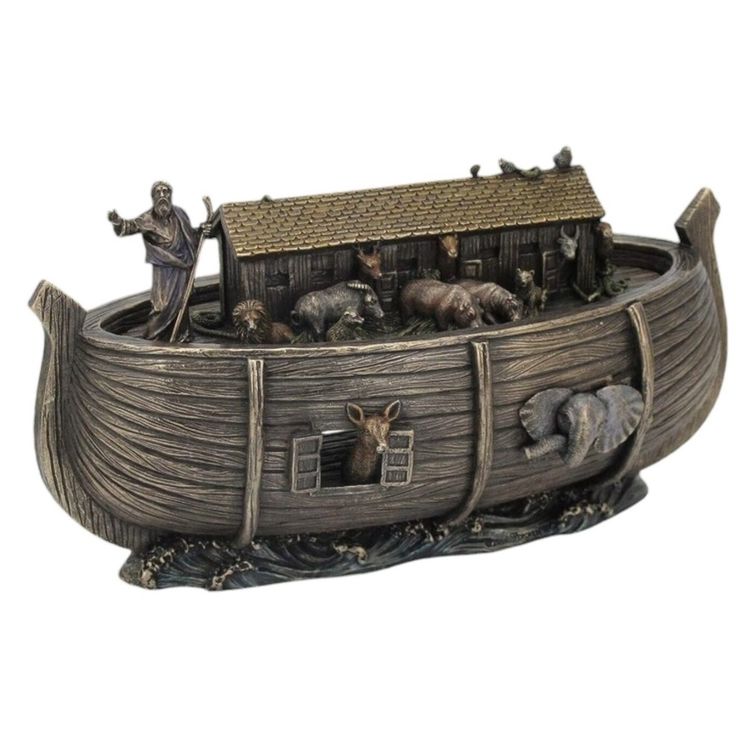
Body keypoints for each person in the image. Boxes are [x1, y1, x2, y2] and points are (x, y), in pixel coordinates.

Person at [108, 181, 211, 341]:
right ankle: (154, 336)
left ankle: (182, 336)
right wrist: (118, 222)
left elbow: (190, 236)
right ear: (153, 197)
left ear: (170, 195)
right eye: (158, 192)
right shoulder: (147, 219)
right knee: (161, 306)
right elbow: (129, 227)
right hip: (164, 270)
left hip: (182, 269)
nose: (162, 195)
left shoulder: (180, 214)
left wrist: (202, 230)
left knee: (182, 303)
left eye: (166, 192)